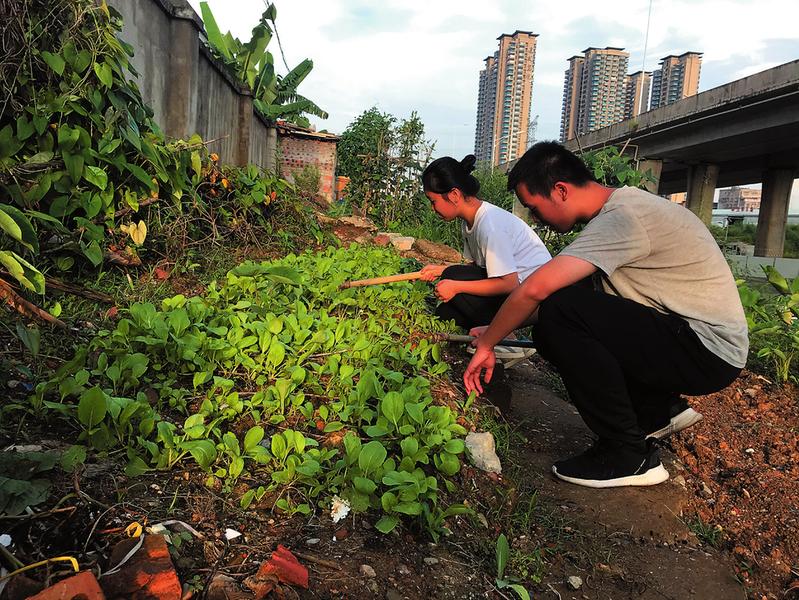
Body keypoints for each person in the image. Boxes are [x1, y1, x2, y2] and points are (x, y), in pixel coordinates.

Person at [463, 141, 748, 489]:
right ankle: (656, 411)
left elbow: (537, 289)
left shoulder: (624, 219)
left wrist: (488, 345)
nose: (536, 220)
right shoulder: (623, 210)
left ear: (561, 191)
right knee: (564, 309)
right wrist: (494, 330)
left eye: (534, 209)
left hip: (705, 350)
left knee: (559, 312)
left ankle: (628, 454)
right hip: (692, 342)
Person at [419, 154, 551, 337]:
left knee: (454, 277)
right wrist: (439, 270)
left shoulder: (490, 225)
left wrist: (456, 286)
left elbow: (508, 284)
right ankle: (489, 333)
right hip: (514, 294)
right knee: (445, 314)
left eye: (433, 202)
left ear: (454, 195)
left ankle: (506, 341)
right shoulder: (469, 222)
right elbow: (475, 269)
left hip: (533, 303)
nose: (432, 209)